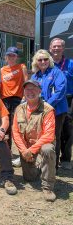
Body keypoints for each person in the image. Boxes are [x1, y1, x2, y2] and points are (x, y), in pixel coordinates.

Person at [13, 80, 56, 202]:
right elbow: (15, 132)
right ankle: (43, 166)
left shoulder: (48, 110)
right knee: (29, 179)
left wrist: (31, 150)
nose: (30, 92)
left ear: (40, 91)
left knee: (47, 149)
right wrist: (24, 150)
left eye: (33, 89)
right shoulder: (19, 109)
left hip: (41, 147)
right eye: (27, 89)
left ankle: (48, 187)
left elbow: (48, 135)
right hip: (27, 149)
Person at [31, 49, 68, 170]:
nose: (43, 61)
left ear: (49, 60)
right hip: (39, 112)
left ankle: (53, 166)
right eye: (40, 59)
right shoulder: (35, 76)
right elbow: (30, 92)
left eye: (45, 59)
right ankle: (41, 162)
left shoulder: (57, 72)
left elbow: (60, 91)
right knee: (39, 136)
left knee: (53, 138)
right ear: (36, 62)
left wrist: (46, 105)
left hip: (55, 112)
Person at [0, 46, 28, 167]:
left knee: (17, 126)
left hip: (18, 99)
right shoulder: (2, 69)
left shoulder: (22, 67)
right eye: (9, 55)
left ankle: (23, 153)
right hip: (5, 100)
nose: (11, 57)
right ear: (6, 57)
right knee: (6, 126)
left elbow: (26, 82)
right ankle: (8, 152)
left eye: (13, 55)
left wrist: (24, 98)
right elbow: (0, 86)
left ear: (17, 57)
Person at [49, 38, 73, 170]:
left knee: (68, 130)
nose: (56, 49)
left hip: (68, 100)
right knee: (54, 131)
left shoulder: (70, 64)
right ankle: (54, 159)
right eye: (54, 46)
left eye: (59, 46)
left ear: (63, 48)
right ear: (50, 48)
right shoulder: (47, 63)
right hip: (52, 101)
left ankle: (65, 159)